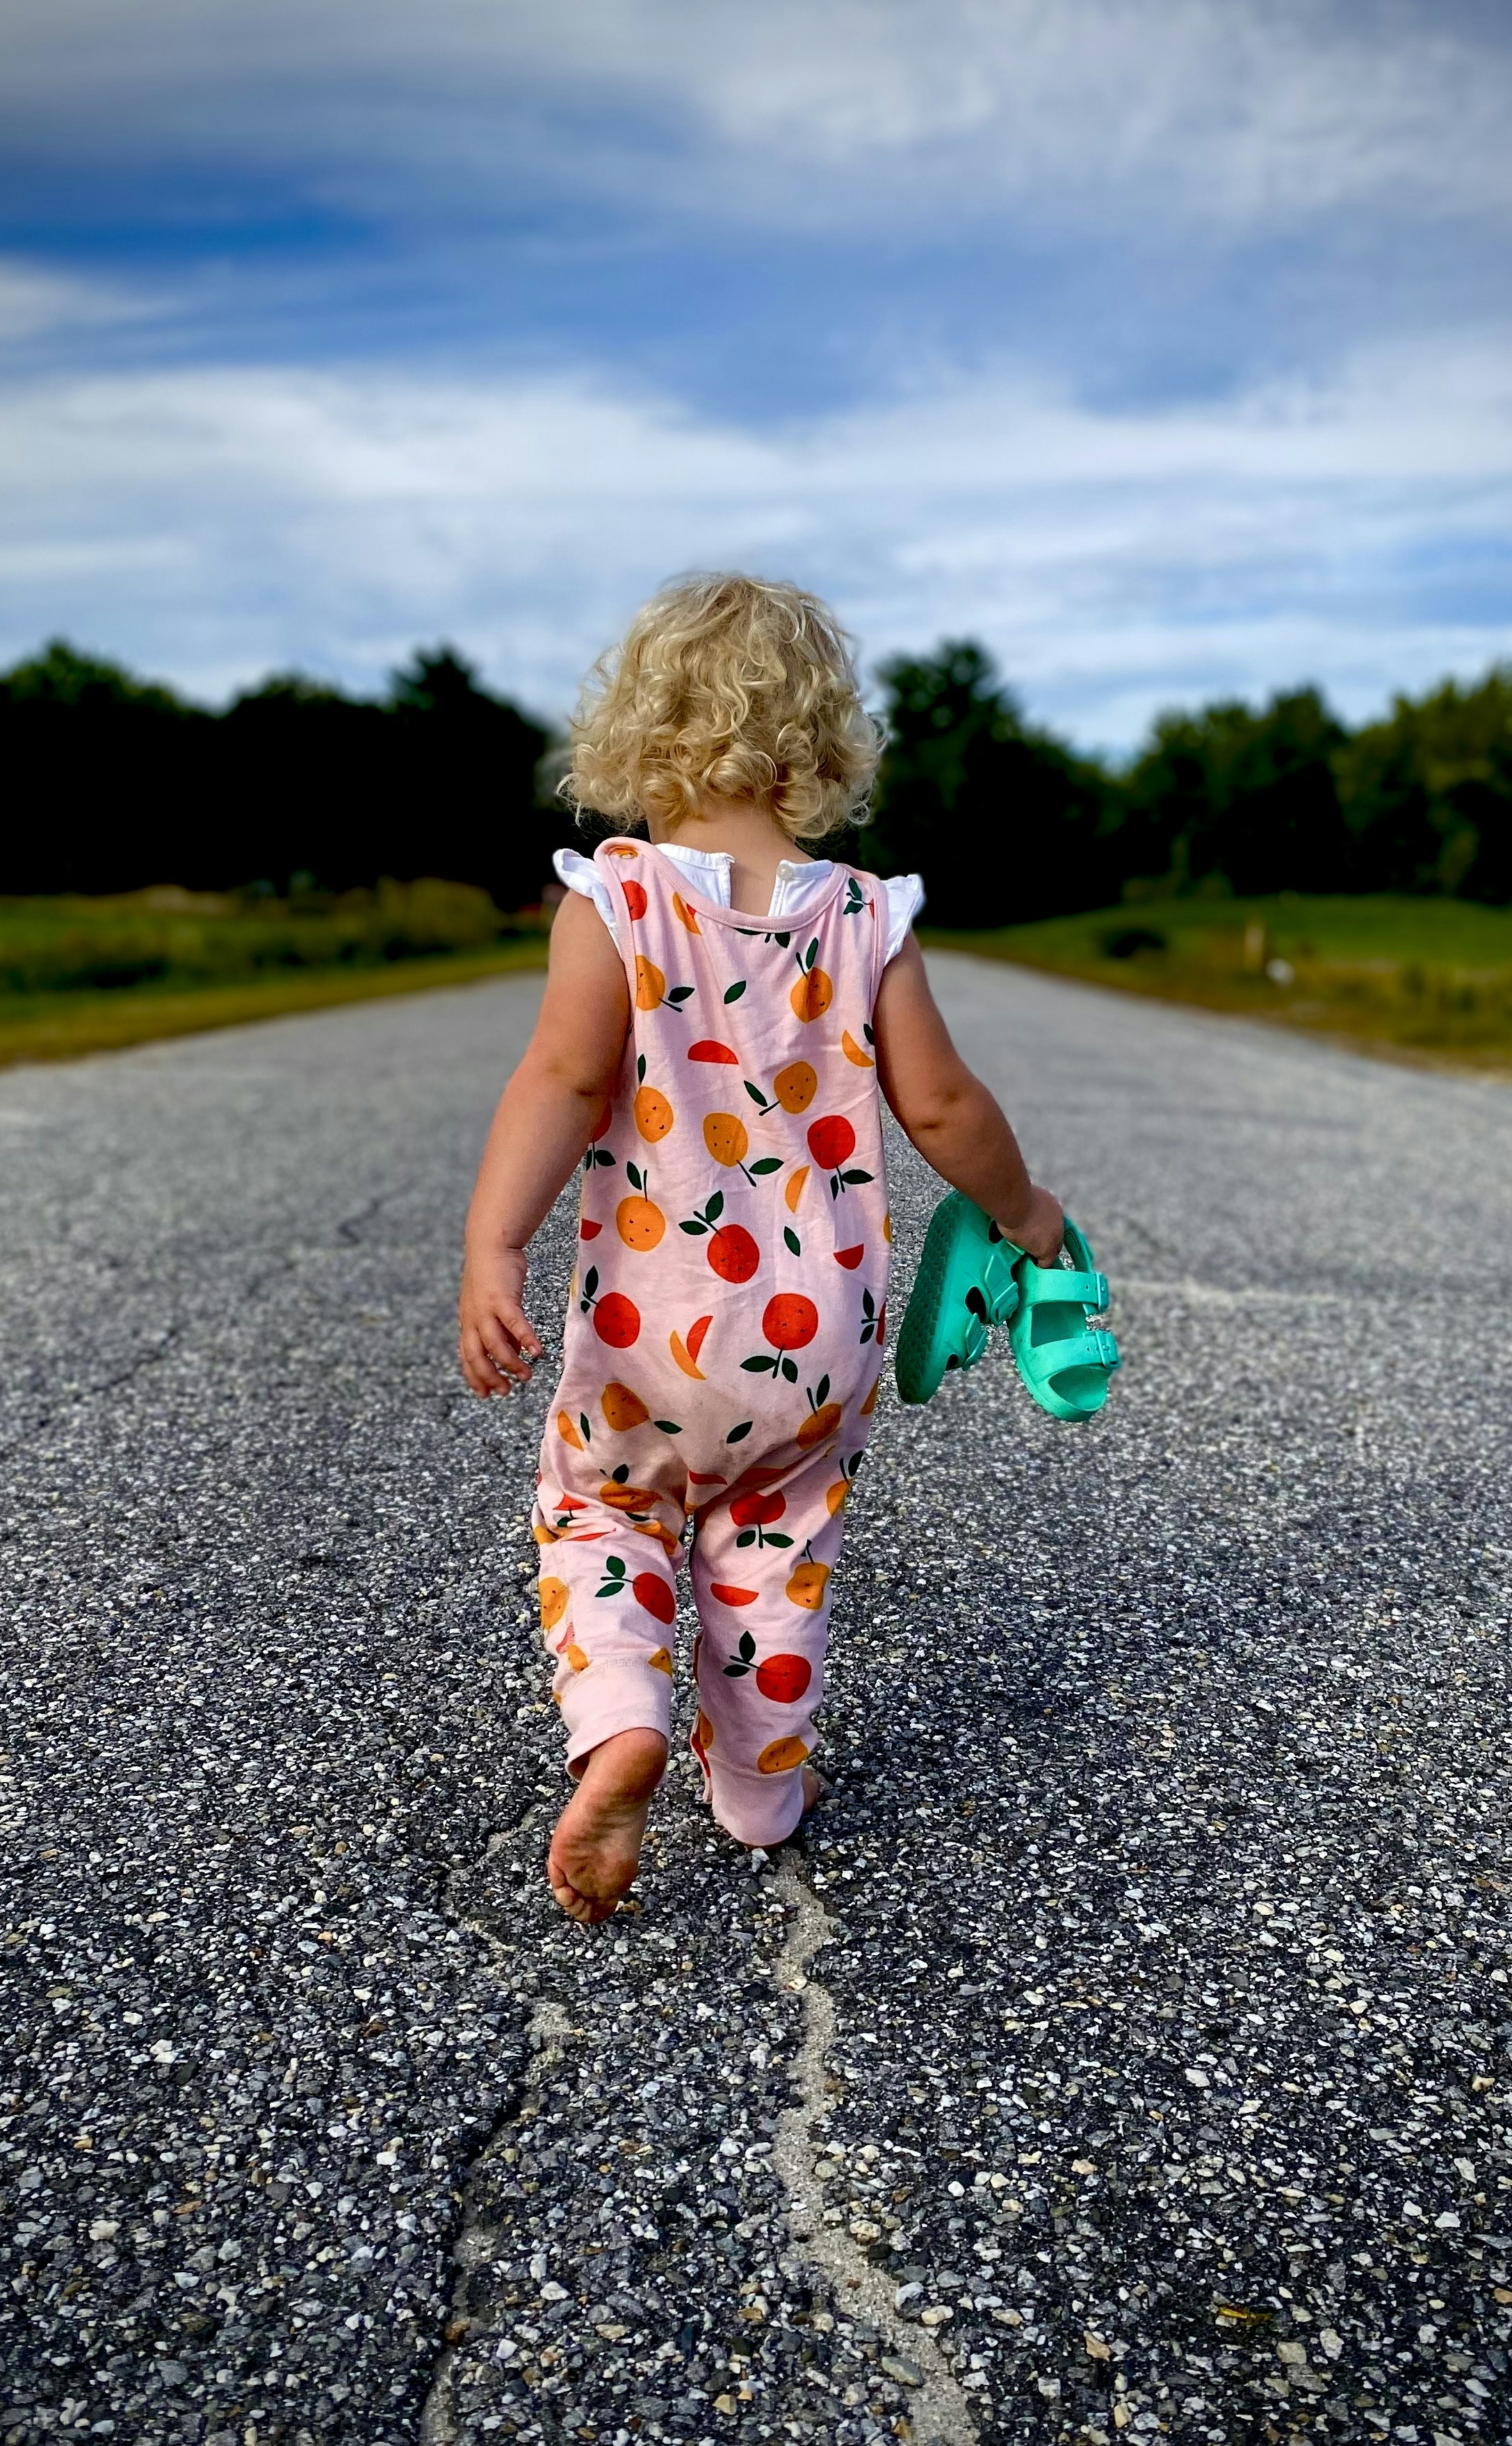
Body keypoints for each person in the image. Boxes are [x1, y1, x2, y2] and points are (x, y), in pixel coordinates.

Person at [457, 574, 1064, 1922]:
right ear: (815, 747)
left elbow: (557, 1084)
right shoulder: (864, 917)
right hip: (814, 1340)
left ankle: (621, 1716)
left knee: (601, 1511)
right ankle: (757, 1793)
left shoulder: (613, 908)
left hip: (646, 1339)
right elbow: (946, 1106)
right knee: (778, 1544)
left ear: (637, 739)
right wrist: (1028, 1216)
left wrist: (493, 1248)